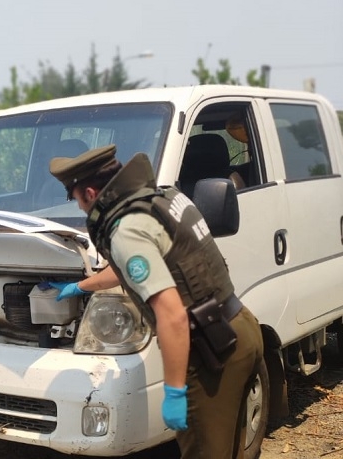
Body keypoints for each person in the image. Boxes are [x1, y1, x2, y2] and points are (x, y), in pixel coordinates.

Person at [48, 144, 263, 459]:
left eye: (75, 199)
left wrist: (174, 391)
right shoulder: (161, 199)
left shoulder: (126, 230)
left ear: (91, 193)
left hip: (210, 352)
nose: (79, 208)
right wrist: (81, 286)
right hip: (240, 328)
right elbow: (133, 267)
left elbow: (173, 316)